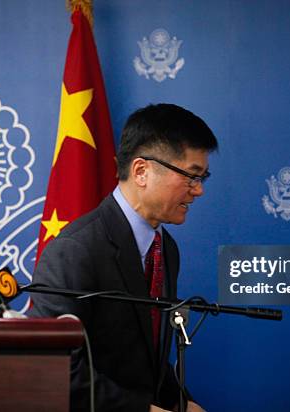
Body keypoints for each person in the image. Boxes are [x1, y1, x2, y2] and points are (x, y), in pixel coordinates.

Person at [30, 103, 218, 412]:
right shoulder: (76, 250)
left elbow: (147, 356)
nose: (198, 191)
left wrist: (182, 402)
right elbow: (57, 369)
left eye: (202, 178)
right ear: (141, 171)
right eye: (191, 176)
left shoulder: (165, 248)